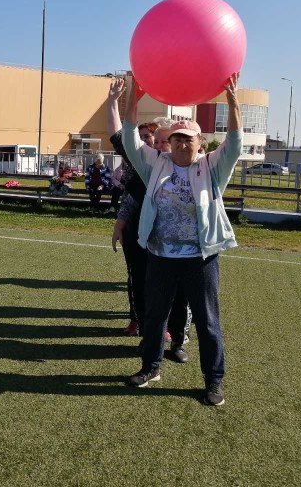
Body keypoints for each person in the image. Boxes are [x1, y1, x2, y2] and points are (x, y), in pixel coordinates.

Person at [122, 72, 243, 407]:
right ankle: (150, 367)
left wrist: (232, 101)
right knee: (154, 317)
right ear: (169, 142)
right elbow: (129, 138)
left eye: (188, 139)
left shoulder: (212, 167)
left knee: (207, 322)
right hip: (161, 256)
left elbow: (234, 143)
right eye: (176, 139)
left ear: (200, 144)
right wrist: (133, 97)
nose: (181, 144)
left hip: (199, 259)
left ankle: (213, 380)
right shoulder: (155, 164)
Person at [107, 80, 189, 359]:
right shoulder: (145, 162)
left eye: (169, 139)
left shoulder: (194, 165)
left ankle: (178, 341)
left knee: (180, 294)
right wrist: (120, 223)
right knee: (144, 286)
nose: (164, 144)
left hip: (180, 242)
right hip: (145, 237)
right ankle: (147, 335)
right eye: (161, 140)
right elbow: (121, 136)